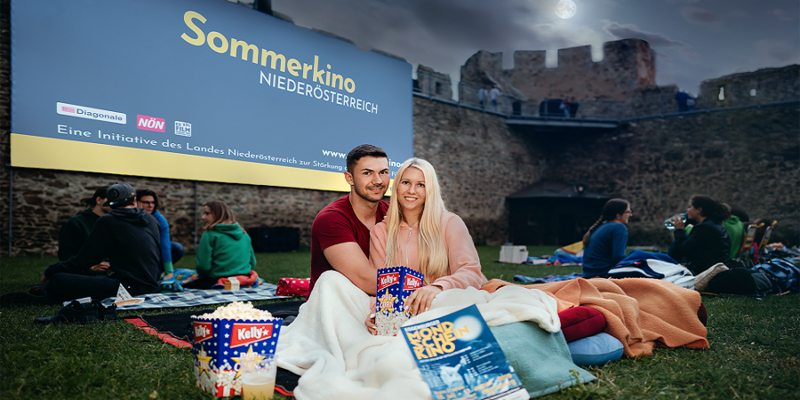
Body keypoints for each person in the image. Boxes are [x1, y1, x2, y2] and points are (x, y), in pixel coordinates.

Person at [366, 158, 486, 332]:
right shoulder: (380, 232)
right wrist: (376, 311)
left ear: (430, 189)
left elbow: (471, 272)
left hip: (443, 302)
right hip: (402, 309)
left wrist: (438, 287)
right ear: (396, 187)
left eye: (421, 185)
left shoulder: (449, 222)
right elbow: (382, 286)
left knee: (459, 300)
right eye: (406, 182)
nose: (412, 190)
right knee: (334, 284)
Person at [40, 182, 162, 301]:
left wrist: (51, 270)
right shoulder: (151, 219)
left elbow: (84, 260)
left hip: (130, 287)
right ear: (134, 200)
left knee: (58, 280)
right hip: (152, 281)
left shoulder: (108, 220)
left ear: (110, 203)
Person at [309, 144, 390, 296]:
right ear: (349, 178)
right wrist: (424, 288)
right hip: (337, 304)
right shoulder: (331, 219)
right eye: (367, 173)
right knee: (330, 278)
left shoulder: (394, 213)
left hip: (386, 302)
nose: (378, 180)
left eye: (383, 172)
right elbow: (366, 280)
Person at [184, 201, 256, 289]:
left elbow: (203, 267)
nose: (203, 217)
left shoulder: (209, 234)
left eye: (207, 213)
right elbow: (252, 262)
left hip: (217, 280)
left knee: (182, 281)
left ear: (218, 215)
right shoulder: (244, 234)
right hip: (243, 279)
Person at [668, 195, 731, 275]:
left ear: (699, 210)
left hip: (707, 273)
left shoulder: (704, 227)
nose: (686, 210)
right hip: (714, 270)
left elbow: (682, 248)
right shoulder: (715, 224)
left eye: (689, 207)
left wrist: (679, 230)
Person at [136, 189, 184, 274]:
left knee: (177, 248)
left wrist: (169, 273)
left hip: (152, 253)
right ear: (136, 203)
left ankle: (157, 273)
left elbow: (165, 245)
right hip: (134, 254)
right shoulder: (128, 217)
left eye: (153, 202)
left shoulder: (159, 219)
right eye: (146, 202)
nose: (150, 206)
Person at [57, 185, 110, 261]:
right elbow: (66, 255)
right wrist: (89, 266)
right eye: (111, 199)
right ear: (98, 200)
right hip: (84, 269)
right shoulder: (76, 223)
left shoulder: (117, 223)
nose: (115, 203)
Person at [581, 199, 631, 278]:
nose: (630, 215)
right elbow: (618, 257)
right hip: (604, 272)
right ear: (618, 215)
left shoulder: (600, 227)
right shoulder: (619, 227)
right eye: (628, 212)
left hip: (590, 272)